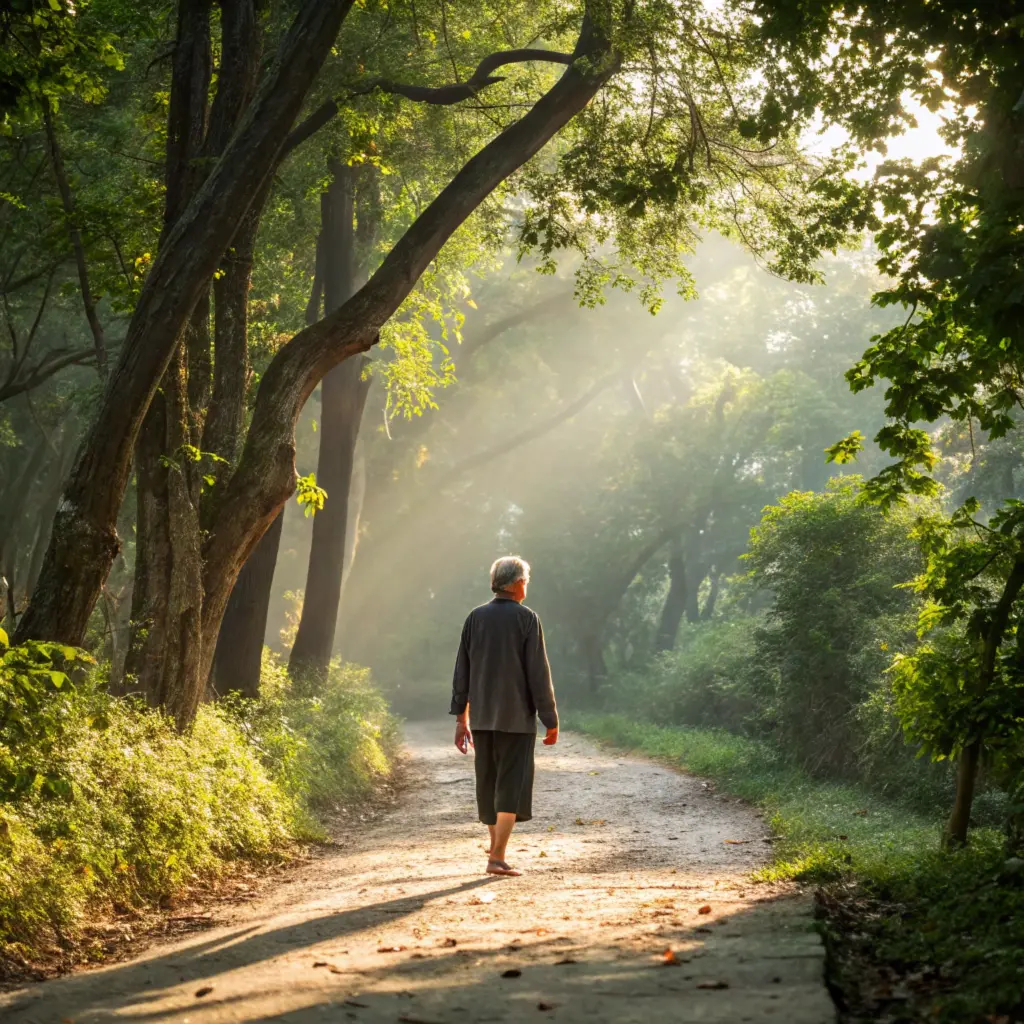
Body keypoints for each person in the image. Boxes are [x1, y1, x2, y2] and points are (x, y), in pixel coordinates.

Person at [450, 555, 558, 877]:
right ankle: (497, 857)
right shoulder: (527, 619)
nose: (527, 587)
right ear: (518, 583)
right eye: (526, 581)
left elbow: (462, 671)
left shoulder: (475, 618)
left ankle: (496, 854)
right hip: (517, 720)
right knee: (511, 787)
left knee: (489, 784)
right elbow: (538, 673)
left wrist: (461, 718)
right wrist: (550, 718)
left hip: (482, 719)